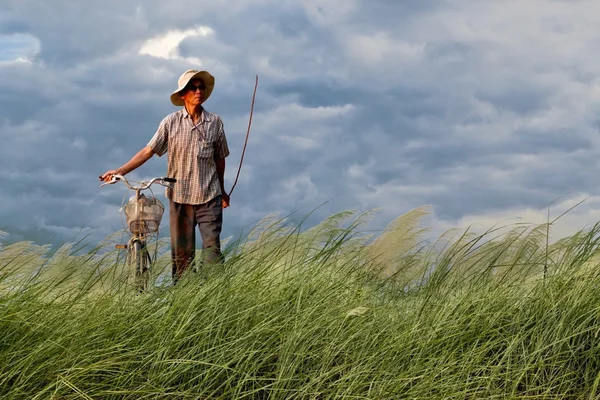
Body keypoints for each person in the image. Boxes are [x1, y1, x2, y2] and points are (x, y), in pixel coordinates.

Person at [100, 69, 230, 282]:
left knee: (212, 252)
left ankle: (213, 297)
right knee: (181, 256)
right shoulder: (170, 123)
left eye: (201, 87)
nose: (198, 91)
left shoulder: (215, 122)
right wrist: (120, 171)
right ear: (183, 95)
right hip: (179, 197)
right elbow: (149, 150)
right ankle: (183, 300)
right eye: (193, 88)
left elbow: (220, 159)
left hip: (209, 196)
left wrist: (223, 191)